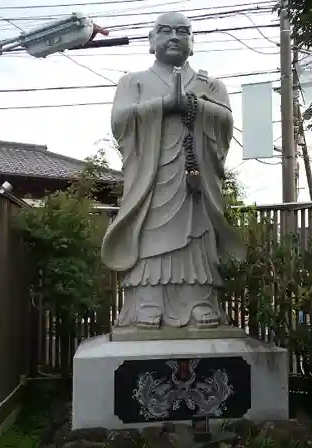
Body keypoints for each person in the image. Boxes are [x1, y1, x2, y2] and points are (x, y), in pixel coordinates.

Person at [101, 11, 243, 329]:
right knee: (151, 233)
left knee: (197, 237)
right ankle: (147, 302)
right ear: (152, 42)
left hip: (195, 180)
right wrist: (163, 105)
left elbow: (226, 124)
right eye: (164, 31)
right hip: (151, 179)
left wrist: (195, 105)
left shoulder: (211, 85)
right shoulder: (133, 81)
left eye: (183, 31)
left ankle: (199, 302)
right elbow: (119, 121)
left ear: (193, 43)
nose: (174, 36)